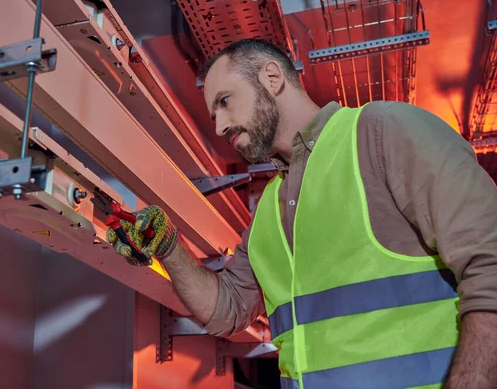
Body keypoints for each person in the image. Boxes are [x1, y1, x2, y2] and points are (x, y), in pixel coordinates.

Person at [105, 39, 497, 388]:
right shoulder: (269, 212)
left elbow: (490, 267)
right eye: (214, 116)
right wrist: (168, 245)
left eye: (225, 102)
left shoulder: (382, 133)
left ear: (272, 77)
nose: (221, 125)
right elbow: (226, 311)